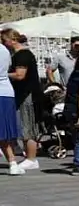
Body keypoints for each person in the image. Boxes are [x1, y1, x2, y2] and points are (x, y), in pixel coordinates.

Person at [2, 29, 45, 172]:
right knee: (24, 126)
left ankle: (32, 158)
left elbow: (20, 75)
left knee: (28, 126)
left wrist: (3, 74)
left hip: (28, 94)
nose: (3, 43)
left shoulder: (23, 55)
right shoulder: (17, 55)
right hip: (22, 94)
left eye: (4, 40)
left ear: (12, 40)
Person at [0, 42, 20, 174]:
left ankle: (13, 163)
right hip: (6, 91)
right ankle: (13, 162)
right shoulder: (4, 50)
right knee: (5, 131)